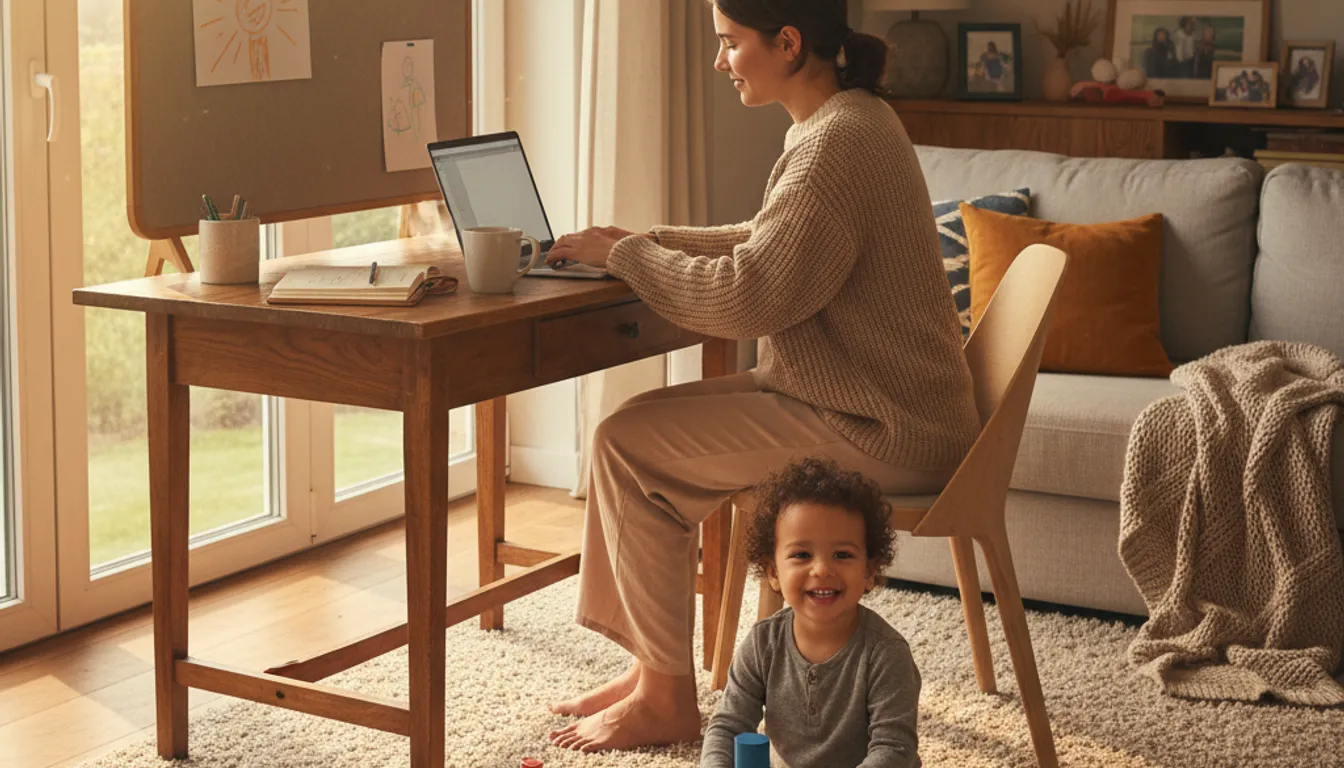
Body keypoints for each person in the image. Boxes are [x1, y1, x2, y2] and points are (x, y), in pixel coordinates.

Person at [542, 0, 981, 754]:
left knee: (624, 443)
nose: (720, 62)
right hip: (877, 404)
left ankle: (666, 697)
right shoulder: (846, 121)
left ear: (786, 43)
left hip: (881, 428)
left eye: (728, 43)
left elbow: (749, 295)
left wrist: (629, 258)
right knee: (639, 434)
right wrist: (640, 240)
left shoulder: (836, 144)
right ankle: (658, 672)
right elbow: (766, 238)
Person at [699, 457, 922, 768]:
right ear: (773, 571)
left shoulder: (886, 654)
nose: (821, 569)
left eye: (842, 555)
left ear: (869, 570)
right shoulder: (764, 643)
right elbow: (728, 725)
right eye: (802, 554)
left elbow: (894, 749)